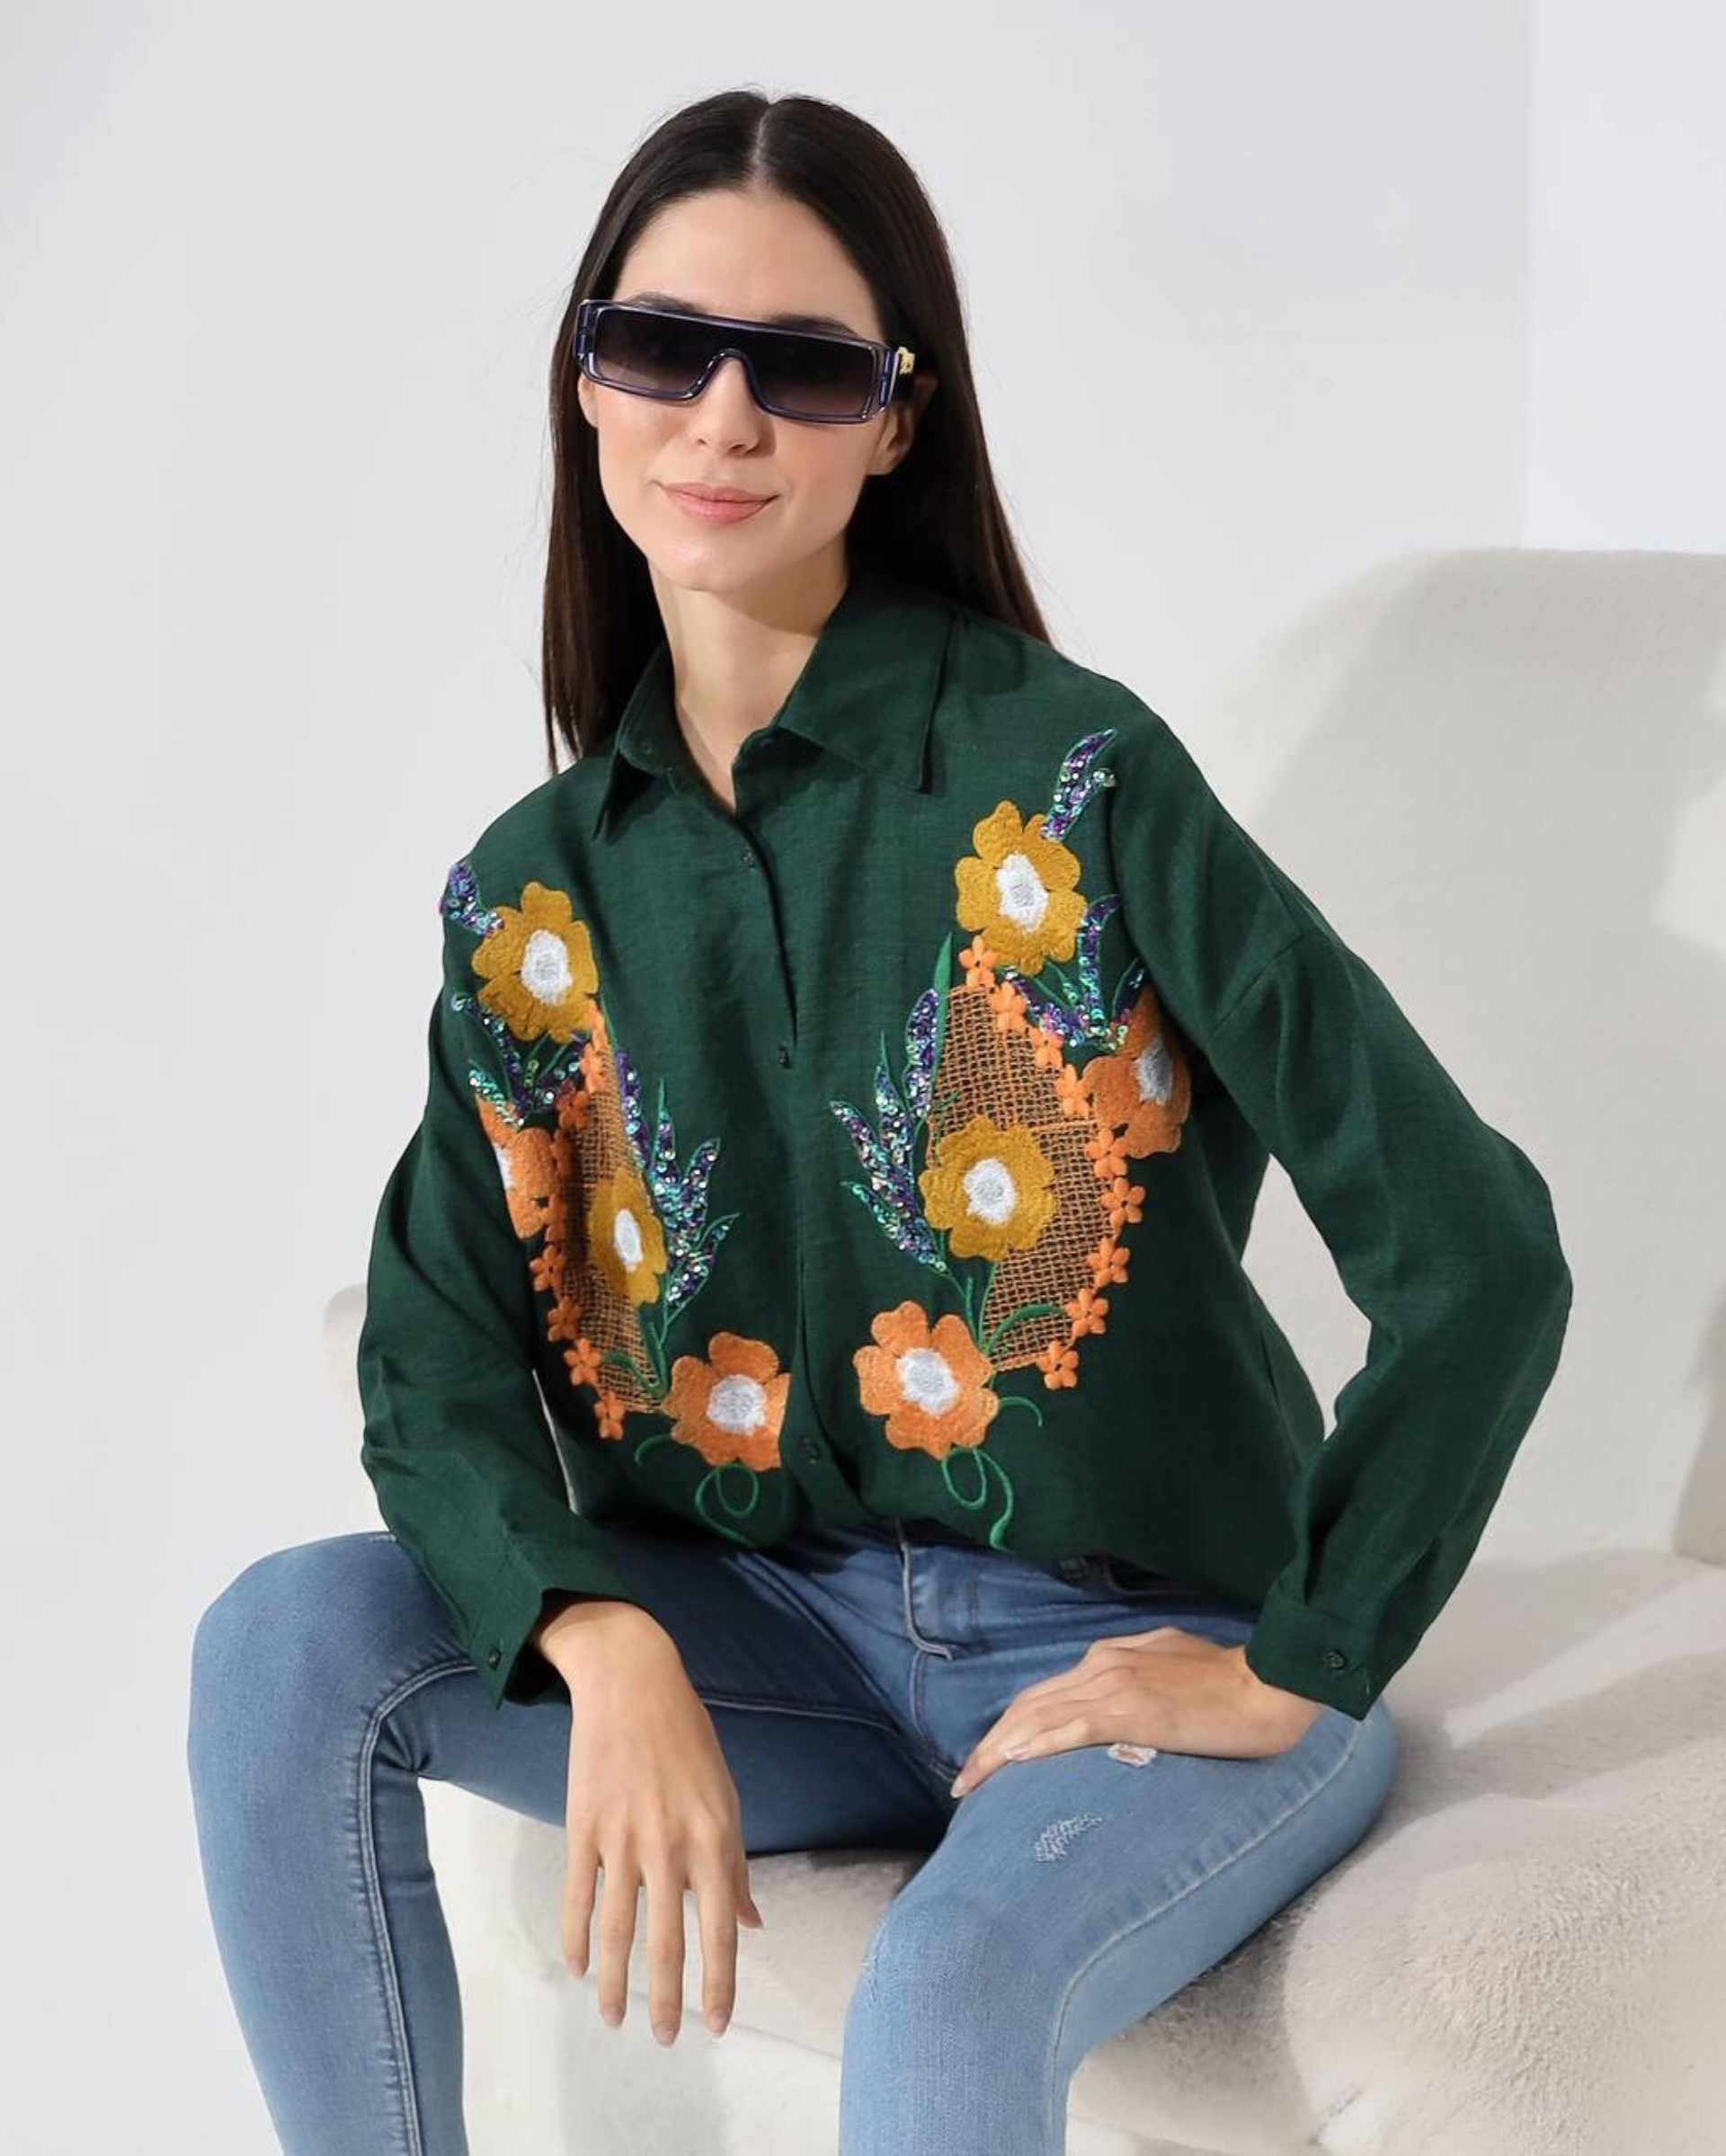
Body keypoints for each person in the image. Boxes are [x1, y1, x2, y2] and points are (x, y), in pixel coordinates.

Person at [186, 87, 1572, 2156]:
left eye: (806, 367)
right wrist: (602, 1633)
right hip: (782, 1642)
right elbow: (433, 1348)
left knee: (947, 1981)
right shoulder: (533, 901)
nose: (724, 416)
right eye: (664, 347)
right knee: (284, 1647)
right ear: (588, 379)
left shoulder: (1076, 784)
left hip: (1138, 1638)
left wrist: (1299, 1655)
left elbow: (1477, 1247)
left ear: (895, 421)